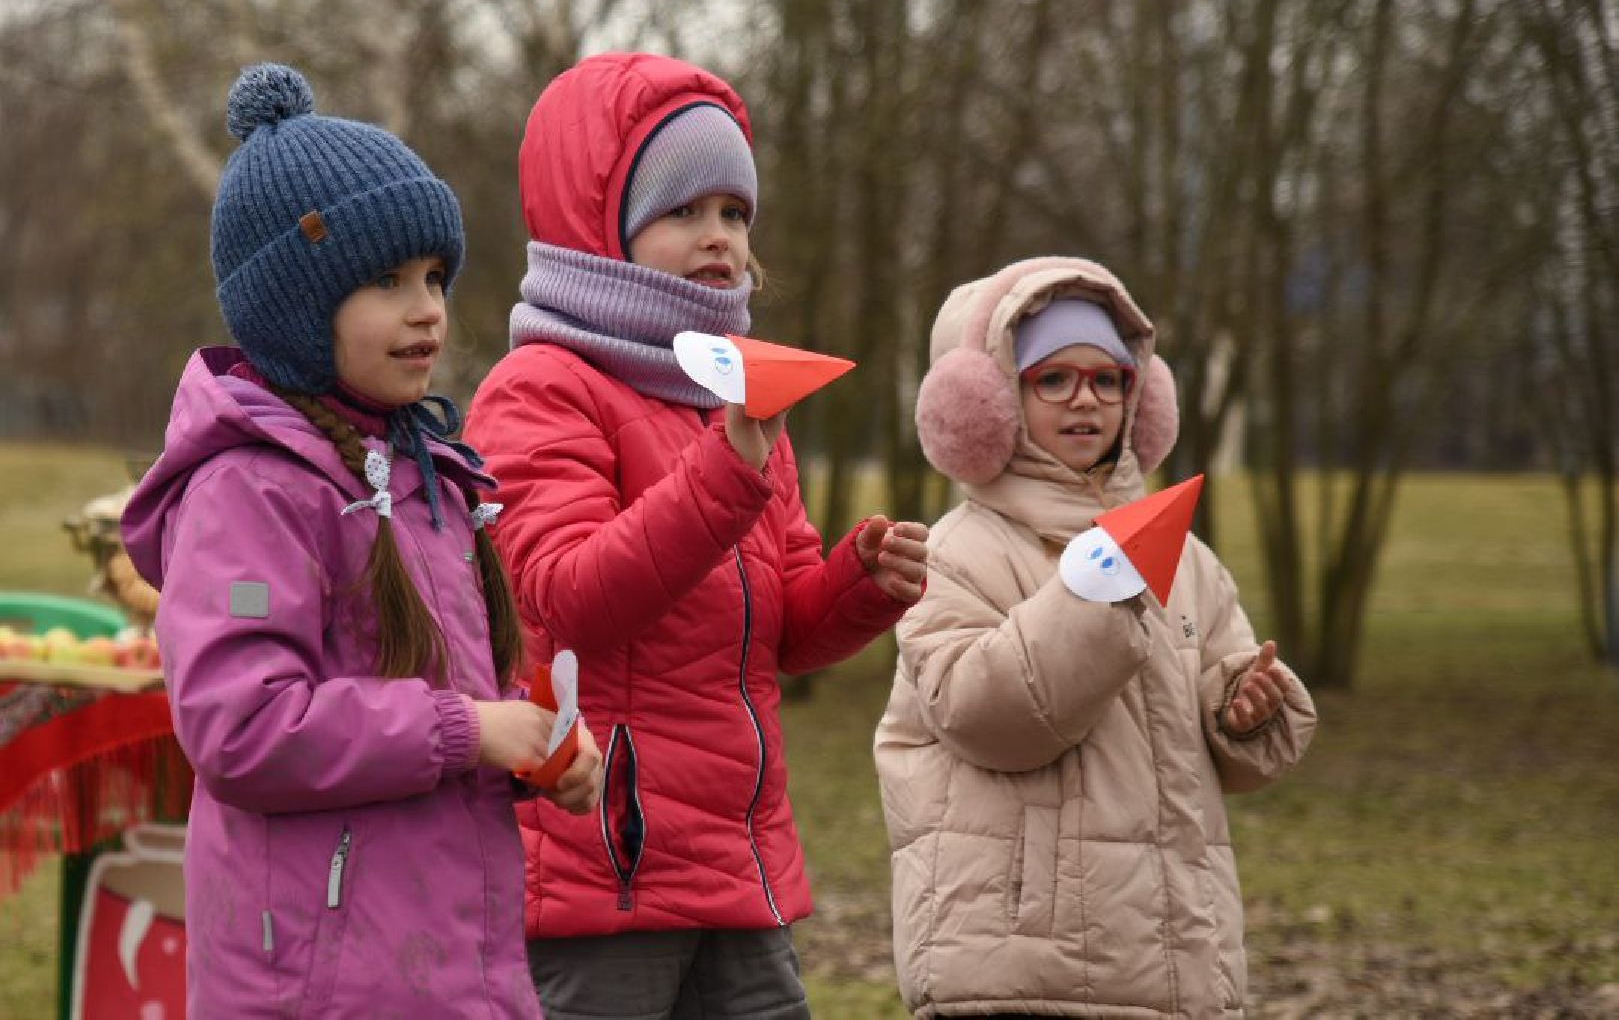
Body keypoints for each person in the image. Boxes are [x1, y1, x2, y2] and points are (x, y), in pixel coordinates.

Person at [121, 63, 602, 1018]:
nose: (428, 307)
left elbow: (431, 701)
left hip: (448, 968)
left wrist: (527, 748)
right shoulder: (250, 486)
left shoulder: (426, 472)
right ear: (296, 308)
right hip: (319, 984)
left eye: (433, 276)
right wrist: (471, 731)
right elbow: (243, 726)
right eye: (385, 281)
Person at [464, 51, 930, 1019]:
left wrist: (860, 581)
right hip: (605, 876)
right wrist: (726, 470)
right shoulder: (540, 388)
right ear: (600, 229)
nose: (717, 236)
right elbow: (566, 594)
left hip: (738, 869)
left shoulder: (741, 403)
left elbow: (786, 632)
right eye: (681, 211)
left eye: (734, 213)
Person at [874, 256, 1317, 1018]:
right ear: (993, 400)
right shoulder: (955, 552)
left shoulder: (1185, 558)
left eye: (1107, 380)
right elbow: (988, 717)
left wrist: (1240, 705)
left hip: (1169, 955)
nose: (1086, 400)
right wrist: (1092, 596)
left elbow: (1215, 720)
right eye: (1053, 378)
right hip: (1018, 964)